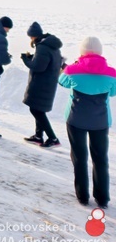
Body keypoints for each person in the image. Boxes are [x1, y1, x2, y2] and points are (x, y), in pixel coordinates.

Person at [59, 36, 116, 208]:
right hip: (100, 121)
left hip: (75, 119)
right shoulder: (112, 73)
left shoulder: (72, 70)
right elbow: (113, 93)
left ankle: (82, 195)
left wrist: (73, 66)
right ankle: (102, 197)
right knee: (100, 158)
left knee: (79, 157)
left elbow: (62, 81)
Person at [21, 22, 63, 148]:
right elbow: (45, 62)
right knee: (38, 109)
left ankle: (53, 138)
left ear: (34, 36)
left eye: (30, 36)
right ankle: (38, 136)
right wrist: (33, 57)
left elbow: (38, 67)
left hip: (41, 84)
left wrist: (26, 60)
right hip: (48, 83)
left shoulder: (42, 47)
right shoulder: (51, 45)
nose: (30, 39)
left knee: (36, 110)